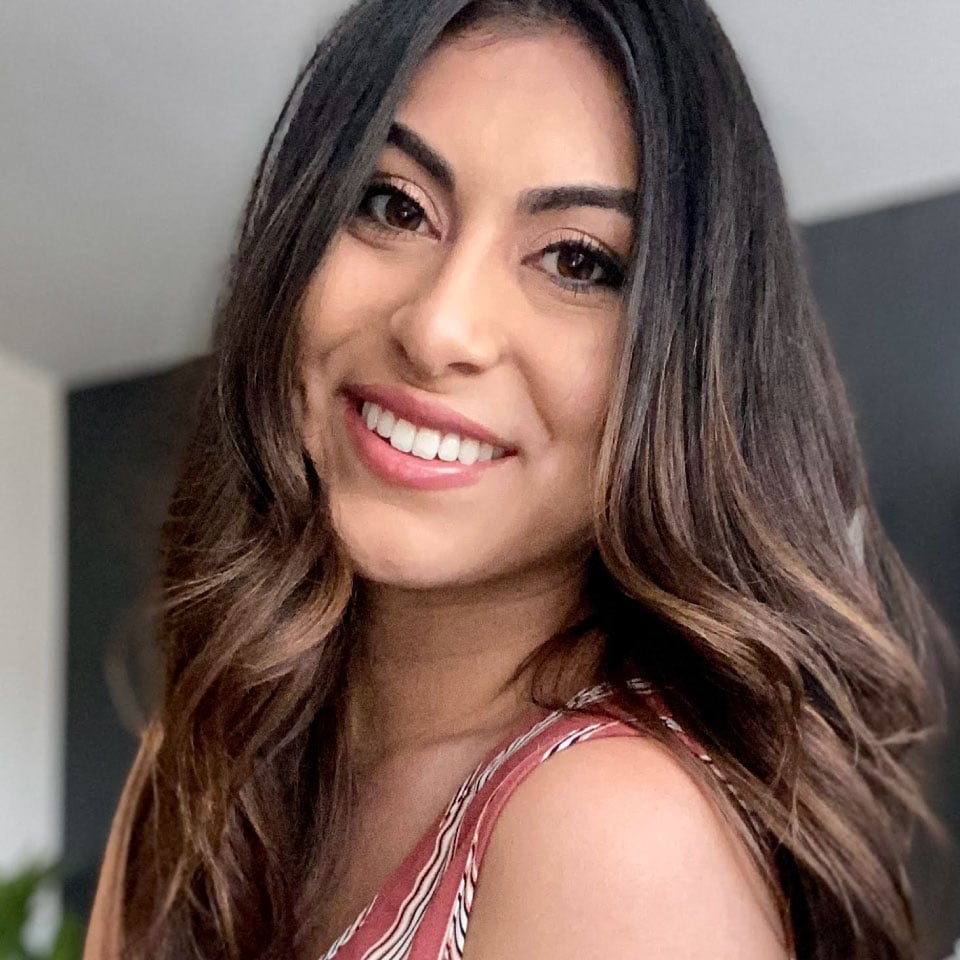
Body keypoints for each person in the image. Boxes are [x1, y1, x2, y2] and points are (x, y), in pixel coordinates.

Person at [82, 1, 951, 958]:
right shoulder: (199, 754)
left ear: (688, 364)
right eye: (394, 205)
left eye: (576, 261)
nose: (439, 327)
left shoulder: (613, 834)